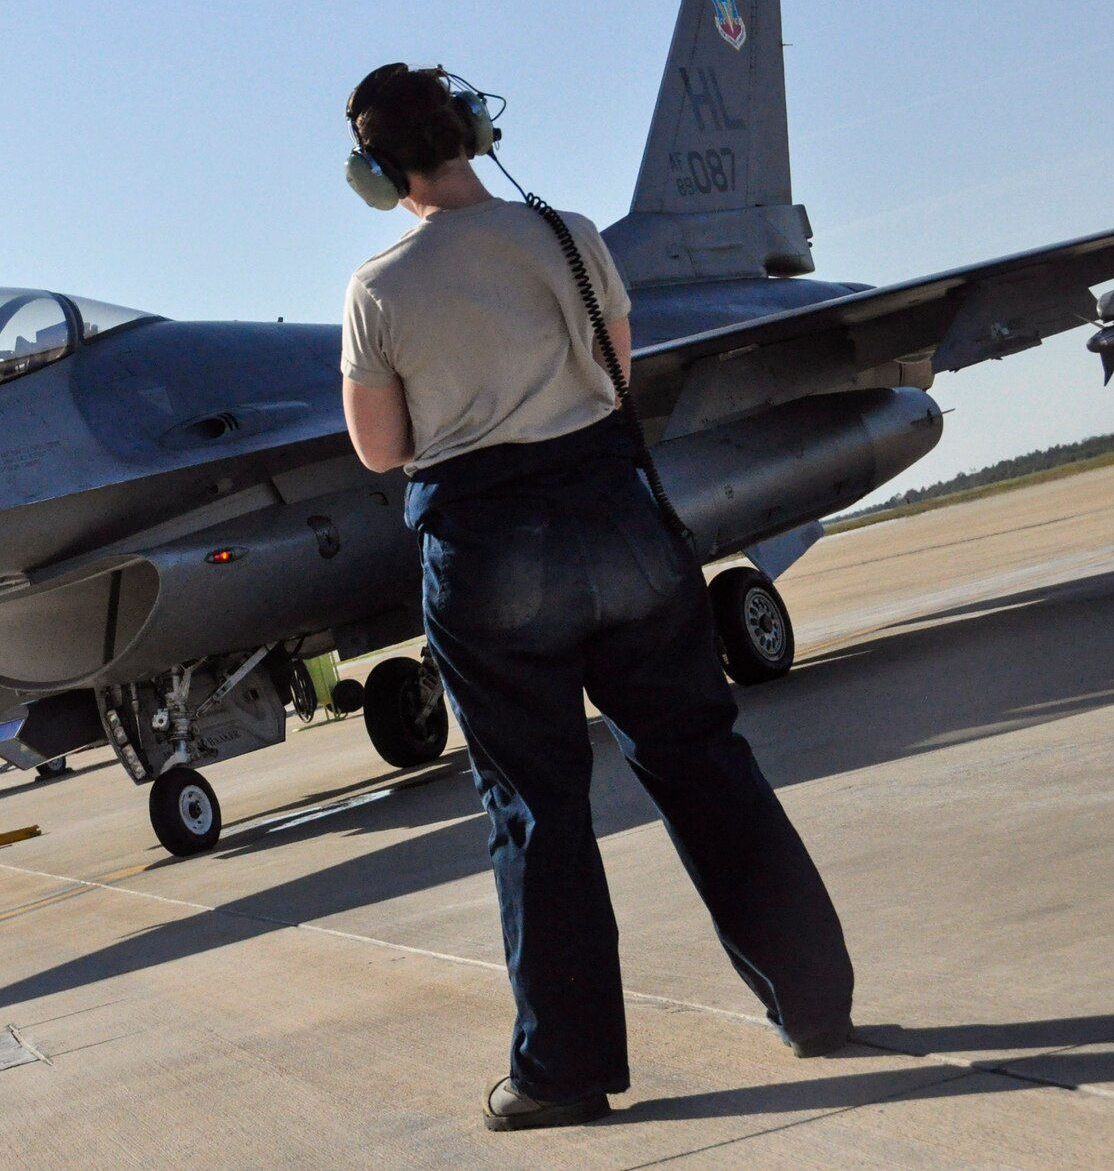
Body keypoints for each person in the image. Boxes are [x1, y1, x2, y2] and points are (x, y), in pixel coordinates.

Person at [338, 63, 853, 1132]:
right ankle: (812, 999)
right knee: (701, 757)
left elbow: (381, 449)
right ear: (475, 131)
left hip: (486, 553)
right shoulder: (568, 236)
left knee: (537, 809)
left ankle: (562, 1073)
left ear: (377, 174)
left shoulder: (377, 288)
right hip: (617, 520)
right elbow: (617, 371)